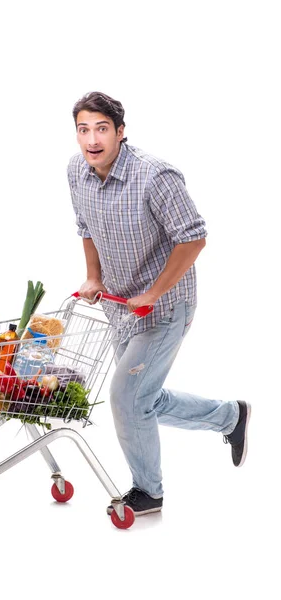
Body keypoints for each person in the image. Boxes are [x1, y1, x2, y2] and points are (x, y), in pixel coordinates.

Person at [67, 91, 251, 516]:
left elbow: (193, 237)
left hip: (165, 308)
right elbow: (85, 225)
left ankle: (148, 492)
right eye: (83, 130)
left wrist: (153, 293)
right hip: (119, 306)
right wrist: (94, 277)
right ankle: (230, 417)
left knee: (127, 398)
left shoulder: (155, 176)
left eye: (101, 129)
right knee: (141, 398)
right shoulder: (77, 169)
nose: (92, 139)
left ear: (121, 132)